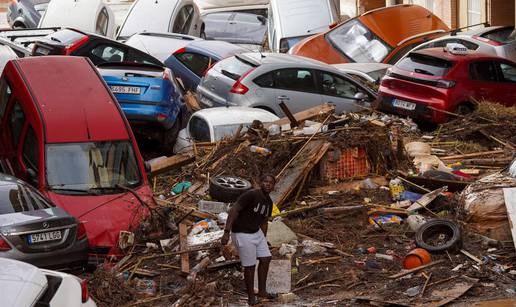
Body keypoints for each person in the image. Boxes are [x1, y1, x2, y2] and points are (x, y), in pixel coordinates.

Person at [220, 174, 277, 306]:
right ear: (260, 182)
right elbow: (234, 210)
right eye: (265, 181)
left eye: (271, 183)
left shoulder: (269, 202)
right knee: (249, 266)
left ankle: (262, 291)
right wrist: (226, 232)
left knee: (265, 258)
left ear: (274, 186)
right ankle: (251, 298)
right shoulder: (251, 194)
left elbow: (264, 222)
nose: (268, 184)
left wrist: (264, 237)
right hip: (242, 233)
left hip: (256, 232)